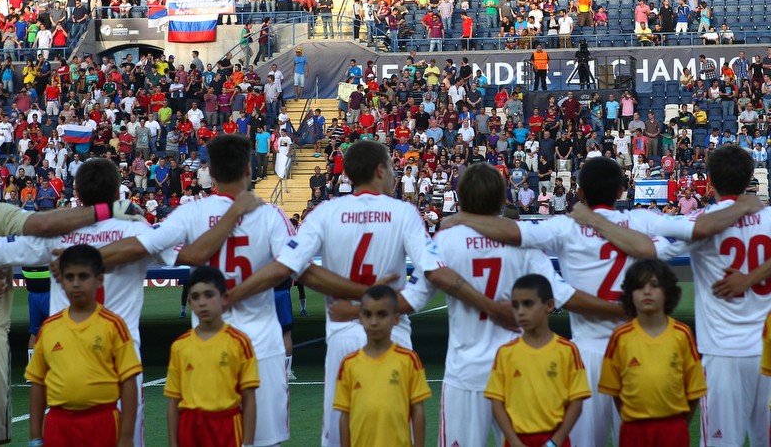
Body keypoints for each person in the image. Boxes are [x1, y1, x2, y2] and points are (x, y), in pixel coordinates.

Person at [443, 156, 753, 447]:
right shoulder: (642, 219)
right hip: (637, 348)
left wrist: (459, 219)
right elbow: (699, 228)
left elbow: (512, 231)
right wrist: (744, 205)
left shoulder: (566, 226)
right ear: (622, 190)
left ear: (579, 191)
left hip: (587, 354)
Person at [224, 140, 515, 447]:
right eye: (391, 168)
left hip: (342, 338)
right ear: (380, 170)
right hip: (393, 338)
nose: (394, 175)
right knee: (395, 433)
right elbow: (435, 272)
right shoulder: (403, 213)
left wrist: (233, 293)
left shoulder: (326, 212)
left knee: (340, 434)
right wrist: (491, 306)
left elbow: (286, 266)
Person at [95, 135, 371, 447]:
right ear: (248, 170)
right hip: (262, 345)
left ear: (210, 172)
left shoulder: (190, 214)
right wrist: (363, 292)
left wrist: (85, 257)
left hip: (206, 347)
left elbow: (140, 246)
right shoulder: (270, 215)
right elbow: (302, 269)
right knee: (264, 441)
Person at [401, 163, 622, 446]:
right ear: (501, 198)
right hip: (517, 371)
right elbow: (562, 295)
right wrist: (618, 309)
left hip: (466, 371)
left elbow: (412, 298)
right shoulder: (520, 239)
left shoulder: (446, 239)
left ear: (461, 197)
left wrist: (358, 308)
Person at [580, 146, 771, 447]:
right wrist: (754, 276)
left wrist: (598, 222)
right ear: (750, 177)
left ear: (709, 180)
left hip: (723, 353)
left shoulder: (699, 222)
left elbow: (646, 250)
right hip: (766, 352)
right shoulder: (767, 216)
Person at [0, 152, 143, 446]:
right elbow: (186, 252)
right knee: (125, 430)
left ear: (76, 194)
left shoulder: (57, 237)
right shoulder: (138, 230)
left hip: (65, 350)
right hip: (122, 349)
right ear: (118, 193)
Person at [25, 245, 142, 447]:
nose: (76, 284)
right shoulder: (49, 328)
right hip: (58, 423)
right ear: (60, 281)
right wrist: (35, 437)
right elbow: (38, 382)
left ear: (99, 280)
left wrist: (126, 436)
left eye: (83, 276)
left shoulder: (113, 326)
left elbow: (129, 382)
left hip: (102, 420)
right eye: (69, 277)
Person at [599, 259, 706, 447]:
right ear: (630, 294)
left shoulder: (682, 335)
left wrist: (680, 425)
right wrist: (632, 418)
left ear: (668, 292)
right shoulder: (620, 337)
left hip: (673, 428)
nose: (647, 291)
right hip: (633, 430)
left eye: (654, 285)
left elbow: (694, 390)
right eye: (639, 287)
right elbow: (615, 390)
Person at [485, 274, 591, 447]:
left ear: (549, 305)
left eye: (528, 304)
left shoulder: (567, 351)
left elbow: (576, 402)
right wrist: (514, 441)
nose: (520, 312)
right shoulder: (505, 353)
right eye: (515, 305)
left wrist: (554, 442)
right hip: (517, 440)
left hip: (555, 440)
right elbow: (496, 403)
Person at [164, 266, 258, 447]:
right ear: (189, 302)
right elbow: (173, 401)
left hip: (226, 426)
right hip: (189, 426)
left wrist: (248, 443)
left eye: (209, 295)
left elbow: (249, 398)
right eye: (195, 297)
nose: (202, 302)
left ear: (224, 298)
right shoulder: (180, 346)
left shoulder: (239, 342)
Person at [333, 285, 431, 447]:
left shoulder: (408, 360)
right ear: (360, 318)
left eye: (382, 315)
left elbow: (418, 410)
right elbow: (345, 415)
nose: (374, 322)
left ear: (396, 318)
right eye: (367, 315)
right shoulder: (349, 364)